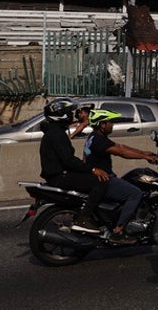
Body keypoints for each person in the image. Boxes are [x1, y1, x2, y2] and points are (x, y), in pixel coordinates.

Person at [83, 108, 158, 245]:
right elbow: (121, 152)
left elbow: (120, 146)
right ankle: (118, 231)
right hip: (104, 180)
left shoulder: (94, 137)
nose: (112, 125)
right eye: (110, 122)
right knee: (135, 193)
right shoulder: (99, 141)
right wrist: (144, 157)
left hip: (98, 179)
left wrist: (144, 152)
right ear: (102, 125)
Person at [39, 98, 110, 233]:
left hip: (57, 174)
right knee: (101, 181)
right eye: (69, 113)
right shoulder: (57, 134)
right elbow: (68, 160)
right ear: (61, 115)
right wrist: (93, 169)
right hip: (60, 176)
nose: (73, 115)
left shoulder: (53, 131)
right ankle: (83, 218)